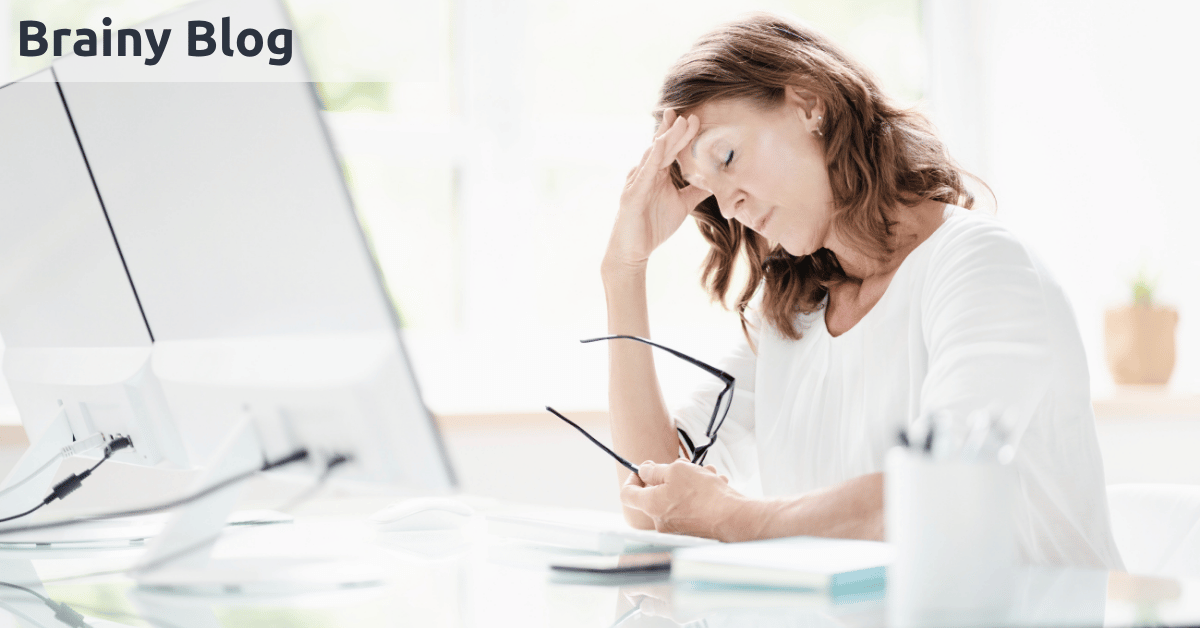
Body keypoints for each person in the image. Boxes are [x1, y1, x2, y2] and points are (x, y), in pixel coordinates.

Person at [602, 13, 1122, 569]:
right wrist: (624, 270)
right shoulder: (792, 317)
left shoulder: (981, 269)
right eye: (709, 192)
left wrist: (734, 520)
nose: (730, 206)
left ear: (809, 103)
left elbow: (940, 498)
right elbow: (653, 500)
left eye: (726, 157)